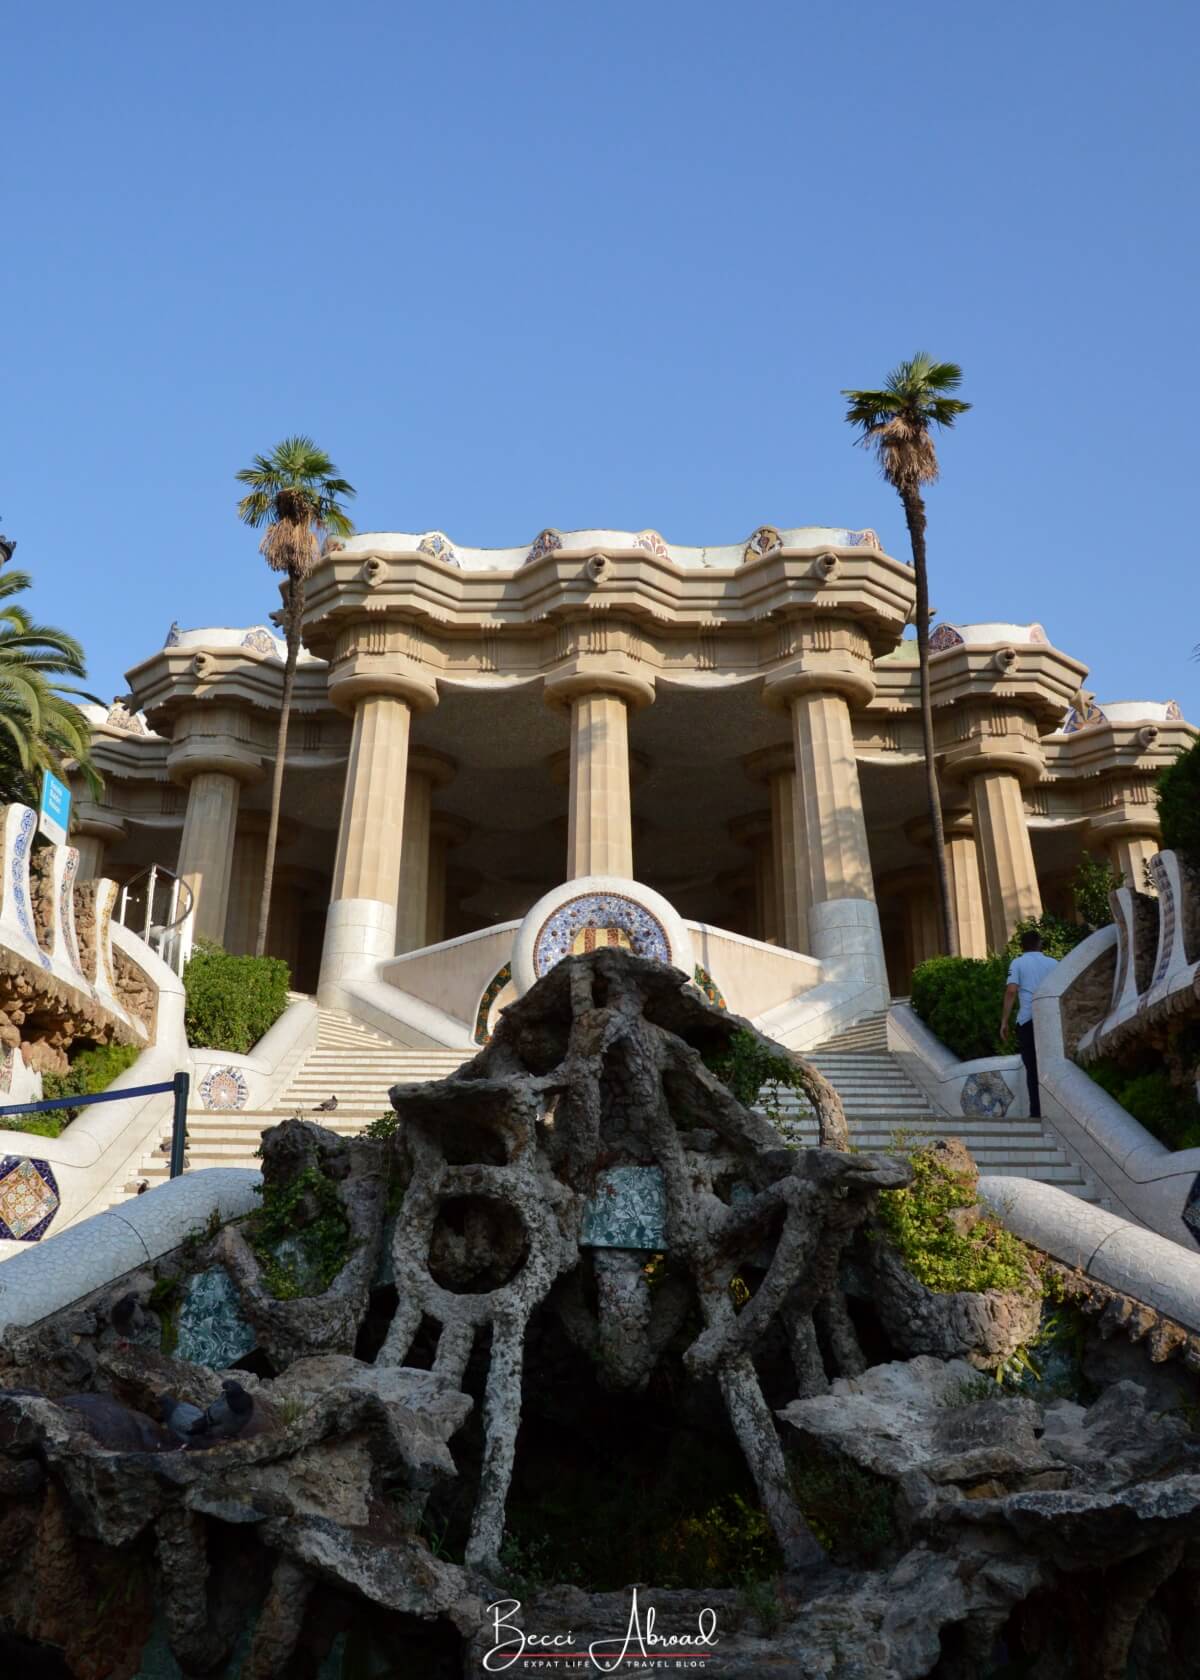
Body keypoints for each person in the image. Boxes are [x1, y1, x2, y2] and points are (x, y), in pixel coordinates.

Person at [1000, 931, 1058, 1119]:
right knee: (1052, 1065)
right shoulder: (1053, 963)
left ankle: (1036, 1113)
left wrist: (1004, 1021)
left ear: (1021, 946)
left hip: (1027, 1021)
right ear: (1039, 943)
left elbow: (1011, 991)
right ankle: (1055, 1112)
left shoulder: (1018, 963)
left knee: (1032, 1069)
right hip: (1050, 1020)